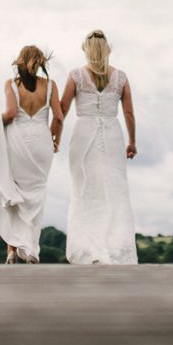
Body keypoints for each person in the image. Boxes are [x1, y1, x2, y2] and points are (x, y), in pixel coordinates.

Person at [60, 30, 138, 264]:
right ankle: (114, 247)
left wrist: (54, 136)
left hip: (83, 134)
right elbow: (129, 112)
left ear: (86, 49)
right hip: (112, 136)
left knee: (85, 190)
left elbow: (62, 110)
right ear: (108, 50)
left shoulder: (76, 76)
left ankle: (89, 248)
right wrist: (132, 141)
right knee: (114, 191)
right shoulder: (121, 77)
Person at [0, 45, 63, 264]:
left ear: (20, 61)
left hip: (17, 142)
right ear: (41, 62)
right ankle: (31, 249)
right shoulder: (50, 86)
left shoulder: (12, 85)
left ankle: (11, 250)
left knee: (15, 193)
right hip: (42, 142)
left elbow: (11, 115)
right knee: (36, 197)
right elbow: (58, 117)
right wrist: (55, 140)